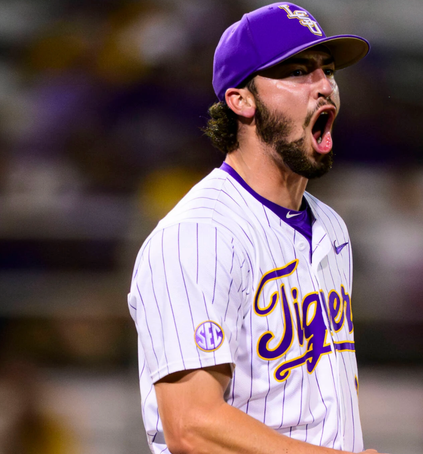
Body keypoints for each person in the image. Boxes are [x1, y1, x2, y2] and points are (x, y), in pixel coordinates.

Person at [127, 3, 387, 454]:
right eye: (299, 71)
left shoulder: (330, 226)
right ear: (241, 100)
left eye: (328, 71)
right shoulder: (200, 235)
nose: (324, 86)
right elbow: (192, 426)